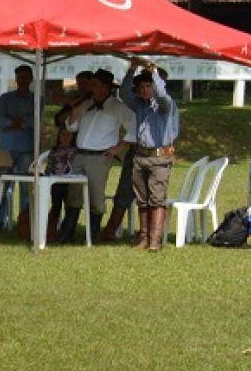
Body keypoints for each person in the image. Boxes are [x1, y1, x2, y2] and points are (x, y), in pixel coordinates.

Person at [63, 66, 135, 243]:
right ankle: (66, 234)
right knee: (74, 195)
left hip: (99, 157)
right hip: (80, 155)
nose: (90, 88)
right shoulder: (87, 104)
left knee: (96, 197)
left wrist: (119, 148)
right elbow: (71, 127)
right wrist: (74, 112)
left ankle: (93, 235)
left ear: (105, 87)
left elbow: (135, 128)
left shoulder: (118, 107)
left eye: (94, 84)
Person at [119, 59, 179, 251]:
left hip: (160, 158)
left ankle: (155, 240)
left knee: (157, 199)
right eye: (142, 86)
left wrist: (153, 71)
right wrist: (132, 68)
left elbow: (161, 94)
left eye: (149, 86)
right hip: (141, 156)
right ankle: (144, 238)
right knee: (142, 199)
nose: (145, 90)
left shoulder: (165, 103)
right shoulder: (139, 104)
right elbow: (123, 93)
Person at [0, 65, 36, 175]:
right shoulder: (5, 98)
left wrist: (11, 121)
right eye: (20, 78)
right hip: (6, 148)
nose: (23, 81)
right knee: (3, 183)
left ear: (31, 79)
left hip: (27, 148)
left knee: (25, 186)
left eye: (26, 78)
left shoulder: (37, 100)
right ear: (16, 79)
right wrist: (21, 122)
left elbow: (36, 122)